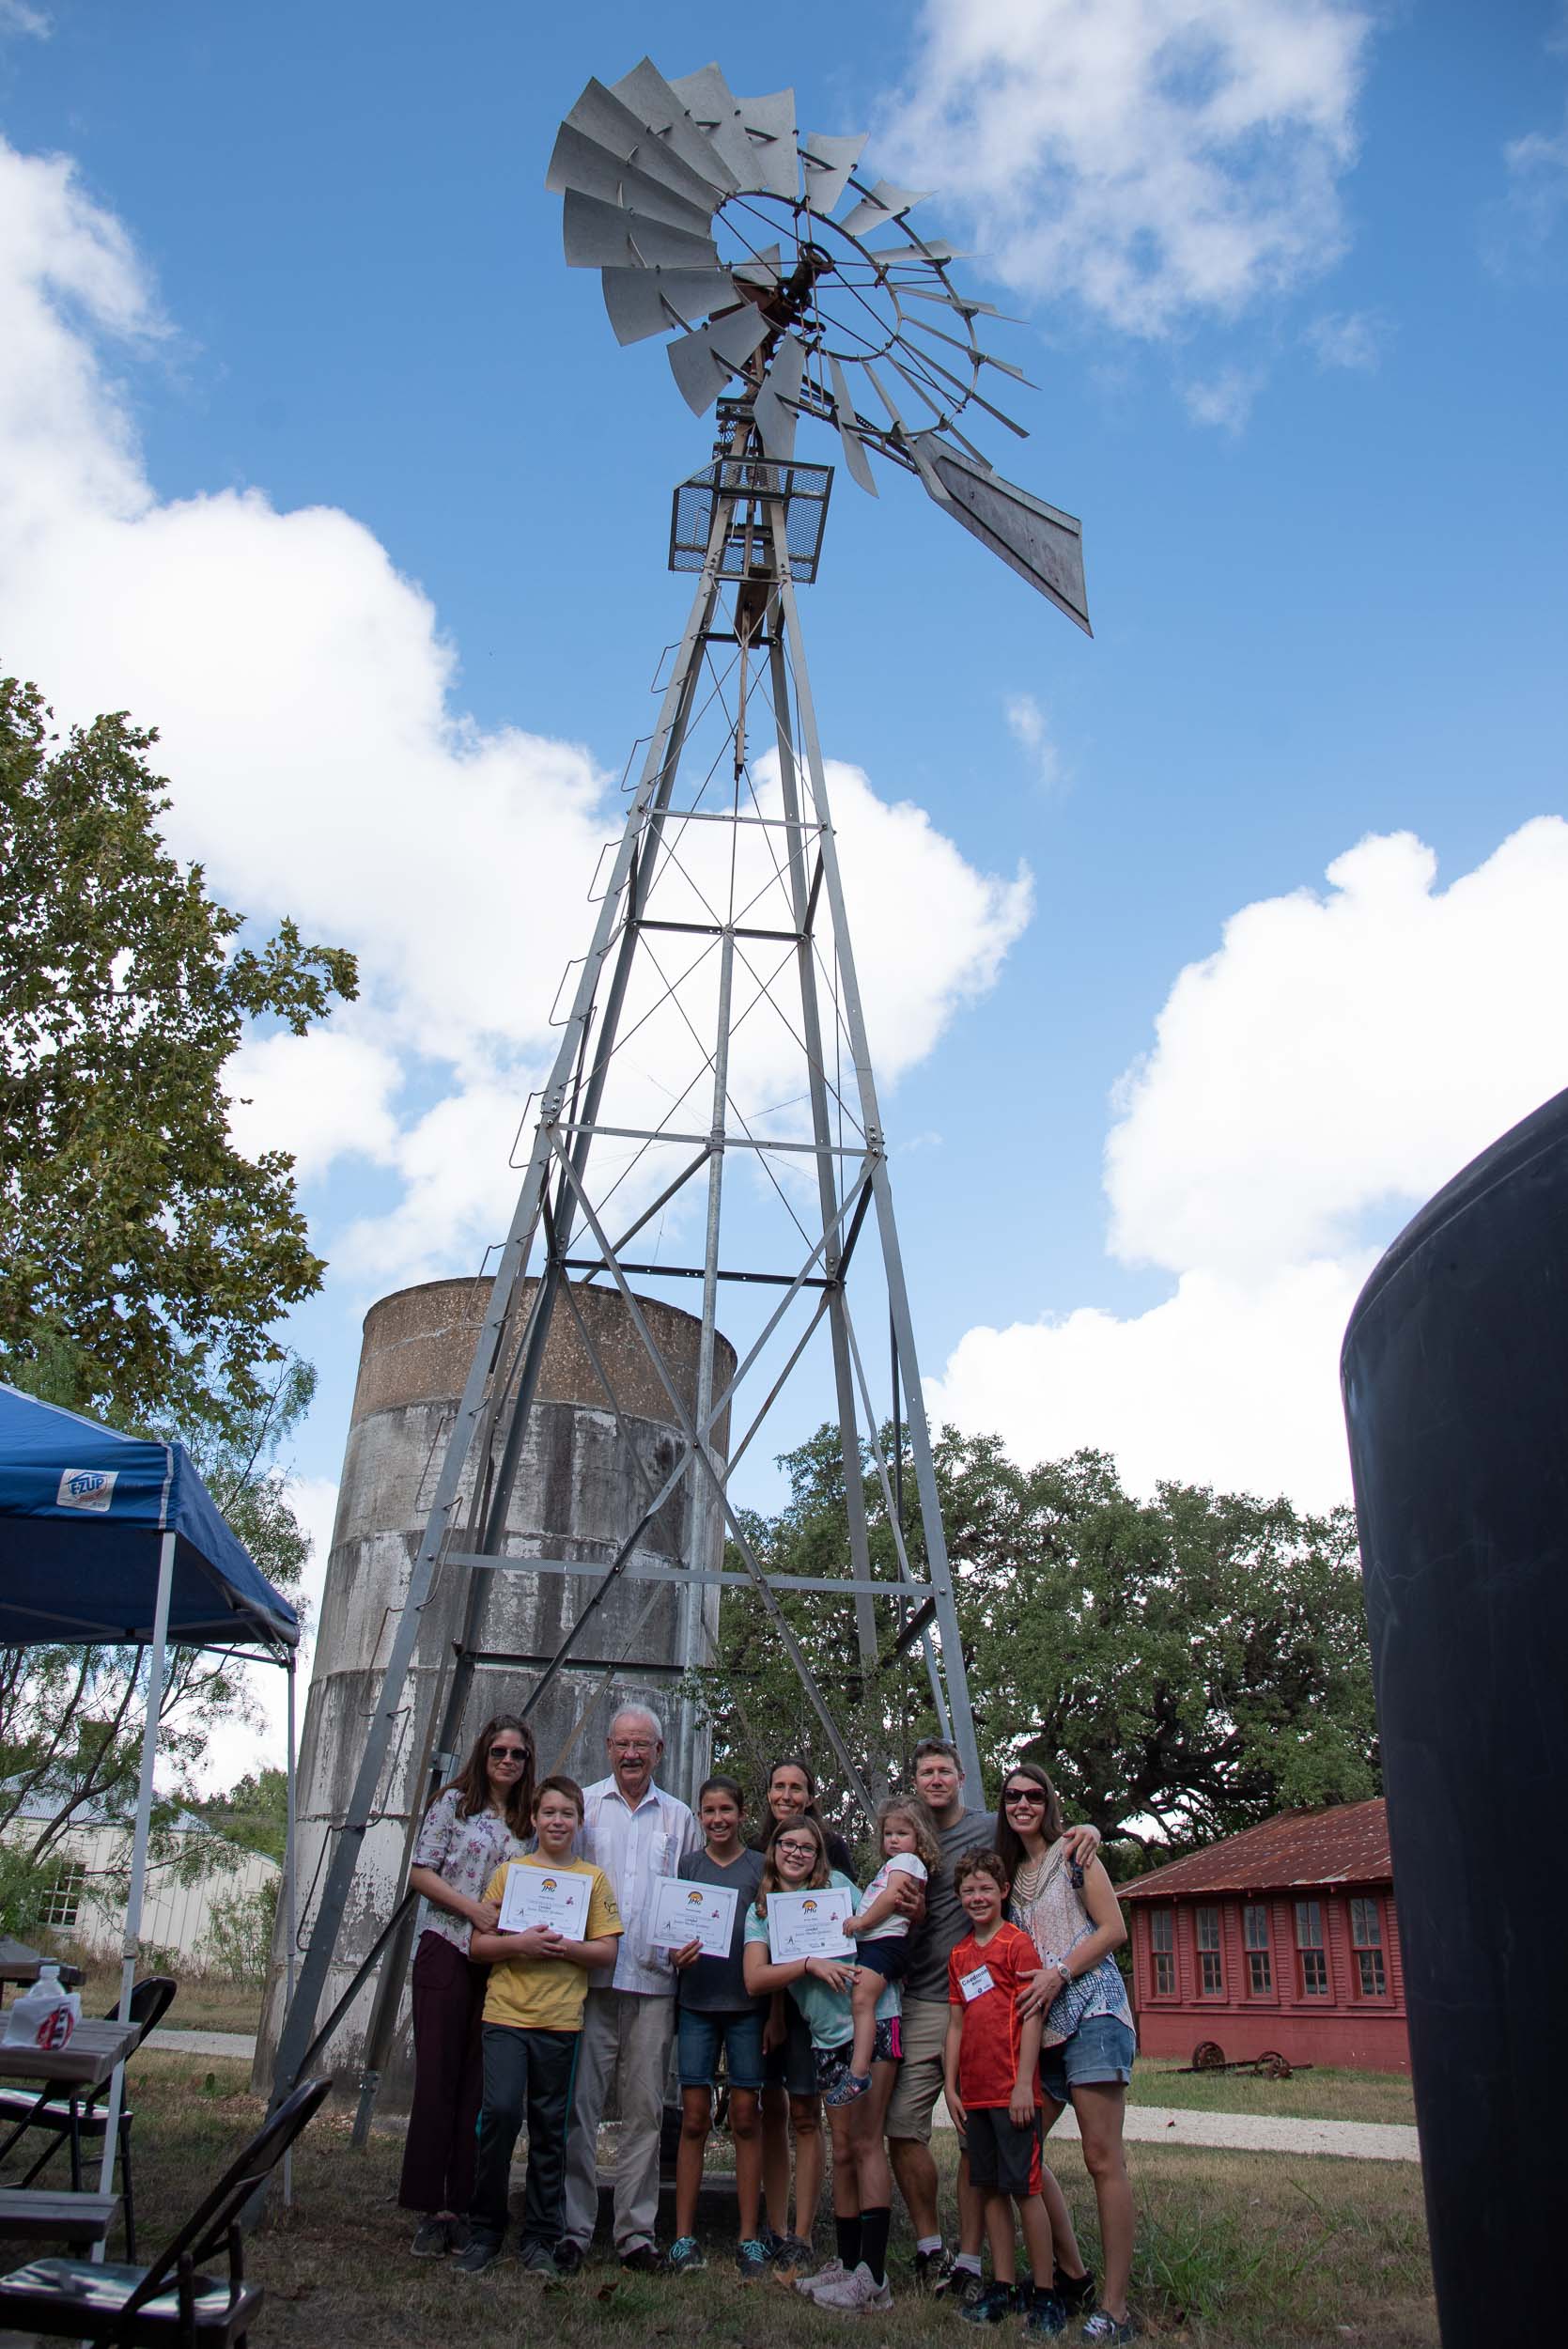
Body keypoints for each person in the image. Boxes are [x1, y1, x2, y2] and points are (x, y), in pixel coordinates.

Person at [887, 1737, 1098, 2302]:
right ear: (916, 1780)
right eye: (925, 1771)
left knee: (979, 2148)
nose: (936, 1780)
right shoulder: (904, 1835)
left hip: (993, 2010)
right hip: (929, 1997)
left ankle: (977, 2260)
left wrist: (1088, 1832)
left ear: (961, 1776)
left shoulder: (989, 1829)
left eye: (944, 1770)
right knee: (903, 2127)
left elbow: (1041, 1836)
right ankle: (933, 2245)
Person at [454, 1775, 623, 2277]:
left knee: (551, 2129)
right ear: (534, 1819)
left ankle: (542, 2238)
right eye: (548, 1813)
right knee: (501, 2115)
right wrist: (519, 1944)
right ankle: (485, 2228)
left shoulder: (592, 1880)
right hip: (506, 2014)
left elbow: (607, 1950)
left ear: (579, 1821)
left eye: (566, 1814)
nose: (557, 1821)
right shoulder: (511, 1874)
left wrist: (565, 1947)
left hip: (561, 2022)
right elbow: (478, 1946)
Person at [560, 1704, 702, 2270]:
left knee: (644, 2112)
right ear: (607, 1747)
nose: (631, 1754)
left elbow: (693, 1898)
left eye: (642, 1745)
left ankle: (635, 2233)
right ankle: (574, 2227)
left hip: (655, 1981)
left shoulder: (680, 1818)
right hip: (591, 1981)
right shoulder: (585, 1808)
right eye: (622, 1744)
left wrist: (692, 1941)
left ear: (659, 1752)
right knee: (582, 2108)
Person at [1001, 1761, 1138, 2345]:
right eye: (1013, 1796)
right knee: (1020, 2152)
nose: (1023, 1804)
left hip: (1094, 2010)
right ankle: (1075, 2273)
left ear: (1048, 1801)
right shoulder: (1008, 1874)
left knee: (1101, 2156)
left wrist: (1059, 1972)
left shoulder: (1076, 1853)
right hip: (1042, 2023)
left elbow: (1113, 1929)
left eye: (1034, 1795)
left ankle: (1115, 2308)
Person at [742, 1812, 900, 2312]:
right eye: (786, 1843)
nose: (795, 1853)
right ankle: (850, 2262)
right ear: (774, 1849)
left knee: (869, 2143)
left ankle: (874, 2277)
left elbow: (884, 1933)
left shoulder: (839, 1888)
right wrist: (808, 1963)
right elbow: (754, 1979)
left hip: (871, 2023)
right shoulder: (763, 1909)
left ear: (818, 1854)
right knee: (845, 2149)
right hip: (826, 2036)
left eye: (806, 1847)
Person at [398, 1712, 536, 2256]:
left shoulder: (528, 1820)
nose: (507, 1761)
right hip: (446, 1949)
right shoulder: (452, 1806)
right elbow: (420, 1870)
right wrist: (471, 1911)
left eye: (517, 1754)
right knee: (439, 2078)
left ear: (528, 1762)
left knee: (482, 2087)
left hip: (500, 1961)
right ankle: (435, 2209)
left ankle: (471, 2202)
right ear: (483, 1753)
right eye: (499, 1751)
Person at [942, 1850, 1064, 2338]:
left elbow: (1032, 2016)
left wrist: (1022, 2085)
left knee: (1025, 2191)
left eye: (986, 1889)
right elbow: (956, 2023)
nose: (977, 1897)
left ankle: (1046, 2292)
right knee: (988, 2189)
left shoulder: (1018, 1945)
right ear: (959, 1897)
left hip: (1013, 2092)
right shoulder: (959, 1955)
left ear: (1003, 1892)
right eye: (969, 1890)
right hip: (973, 2094)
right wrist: (950, 2087)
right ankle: (1003, 2285)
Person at [662, 1774, 769, 2279]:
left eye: (727, 1809)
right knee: (694, 2117)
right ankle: (684, 2236)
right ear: (699, 1817)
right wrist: (674, 1953)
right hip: (698, 2002)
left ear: (742, 1814)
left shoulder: (758, 1868)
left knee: (747, 2116)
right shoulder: (688, 1865)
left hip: (747, 2006)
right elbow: (672, 1929)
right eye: (709, 1811)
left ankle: (749, 2237)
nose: (718, 1819)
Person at [750, 1754, 855, 2264]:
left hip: (824, 2003)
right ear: (768, 1792)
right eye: (778, 1786)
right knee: (773, 2110)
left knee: (808, 2114)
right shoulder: (757, 1852)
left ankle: (804, 2232)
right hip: (777, 1999)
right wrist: (772, 2013)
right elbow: (765, 1944)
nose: (786, 1795)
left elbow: (850, 1920)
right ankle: (773, 2224)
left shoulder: (831, 1848)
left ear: (811, 1794)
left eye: (797, 1787)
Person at [831, 1793, 939, 2106]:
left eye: (902, 1834)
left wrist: (863, 1921)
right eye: (889, 1833)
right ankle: (859, 2067)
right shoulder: (894, 1863)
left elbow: (892, 1898)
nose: (893, 1840)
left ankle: (859, 2071)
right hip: (878, 1945)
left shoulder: (907, 1862)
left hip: (885, 1942)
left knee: (862, 2000)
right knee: (862, 2001)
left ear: (919, 1837)